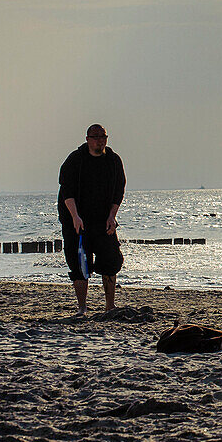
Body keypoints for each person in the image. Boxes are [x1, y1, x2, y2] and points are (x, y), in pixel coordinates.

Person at [58, 124, 125, 316]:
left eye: (102, 137)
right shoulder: (75, 160)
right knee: (79, 262)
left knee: (111, 260)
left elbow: (118, 191)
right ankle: (82, 307)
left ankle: (110, 305)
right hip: (75, 219)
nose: (99, 140)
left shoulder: (113, 160)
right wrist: (75, 217)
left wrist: (112, 216)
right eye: (95, 137)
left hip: (103, 219)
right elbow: (67, 191)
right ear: (87, 139)